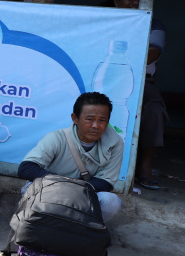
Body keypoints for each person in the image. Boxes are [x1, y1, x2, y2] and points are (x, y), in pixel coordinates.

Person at [19, 92, 123, 222]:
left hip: (83, 195)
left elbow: (105, 183)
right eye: (89, 119)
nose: (96, 125)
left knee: (111, 202)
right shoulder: (57, 137)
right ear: (75, 118)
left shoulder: (115, 143)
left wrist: (72, 191)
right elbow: (26, 168)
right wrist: (62, 186)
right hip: (50, 190)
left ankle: (85, 231)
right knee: (30, 190)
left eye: (102, 120)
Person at [113, 0, 166, 189]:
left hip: (142, 80)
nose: (135, 2)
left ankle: (144, 166)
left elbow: (154, 51)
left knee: (154, 110)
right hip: (112, 78)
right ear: (117, 1)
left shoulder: (154, 24)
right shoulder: (108, 22)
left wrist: (124, 59)